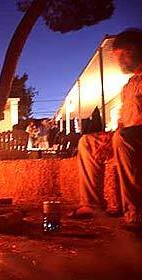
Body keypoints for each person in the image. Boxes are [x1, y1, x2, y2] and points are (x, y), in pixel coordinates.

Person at [69, 28, 142, 230]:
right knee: (87, 142)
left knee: (124, 138)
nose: (119, 62)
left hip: (135, 136)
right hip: (126, 135)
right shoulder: (128, 85)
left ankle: (135, 212)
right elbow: (122, 120)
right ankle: (92, 205)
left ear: (134, 50)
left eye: (121, 57)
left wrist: (122, 133)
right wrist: (110, 137)